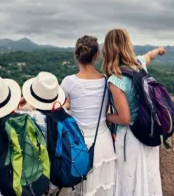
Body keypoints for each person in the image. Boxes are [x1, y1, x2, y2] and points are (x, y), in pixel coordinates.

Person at [102, 28, 165, 196]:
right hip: (149, 132)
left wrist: (105, 116)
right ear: (127, 45)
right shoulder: (138, 64)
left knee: (129, 183)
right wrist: (159, 50)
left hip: (130, 137)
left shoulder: (115, 80)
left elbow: (124, 118)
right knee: (148, 177)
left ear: (107, 50)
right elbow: (149, 55)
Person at [61, 35, 116, 196]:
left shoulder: (69, 82)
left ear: (76, 55)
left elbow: (54, 106)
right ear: (96, 56)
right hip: (103, 143)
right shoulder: (106, 80)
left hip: (79, 145)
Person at [19, 71, 66, 195]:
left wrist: (24, 100)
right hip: (56, 174)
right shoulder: (62, 113)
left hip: (38, 176)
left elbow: (5, 114)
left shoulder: (29, 118)